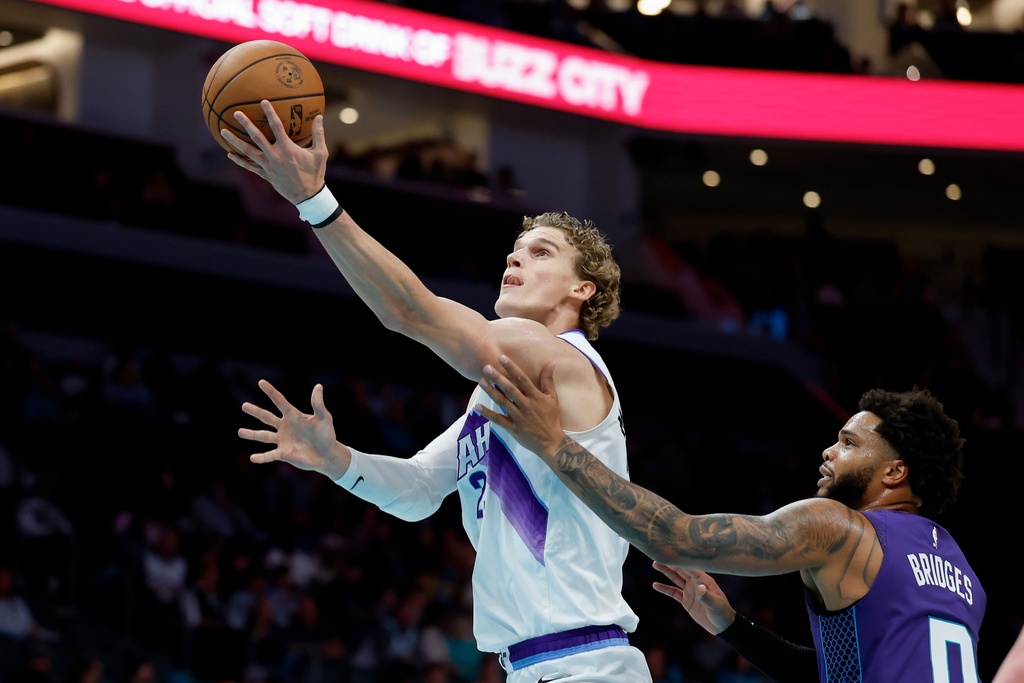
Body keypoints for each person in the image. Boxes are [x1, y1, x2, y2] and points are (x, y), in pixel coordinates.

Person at [224, 101, 653, 682]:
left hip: (584, 664)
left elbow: (409, 312)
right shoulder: (502, 398)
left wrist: (314, 201)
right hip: (537, 666)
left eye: (541, 253)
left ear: (582, 288)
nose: (515, 256)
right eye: (517, 249)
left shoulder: (557, 357)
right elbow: (420, 490)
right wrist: (336, 461)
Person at [473, 355, 986, 683]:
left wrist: (552, 443)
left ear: (895, 471)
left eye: (849, 444)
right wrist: (732, 626)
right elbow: (844, 674)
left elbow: (672, 535)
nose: (829, 451)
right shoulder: (963, 576)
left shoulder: (842, 528)